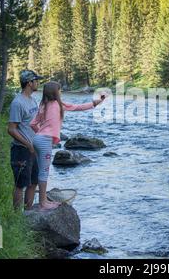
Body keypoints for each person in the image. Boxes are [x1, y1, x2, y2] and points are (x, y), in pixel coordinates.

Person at [30, 81, 105, 210]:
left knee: (39, 171)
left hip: (37, 139)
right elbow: (78, 107)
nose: (60, 92)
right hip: (44, 141)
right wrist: (97, 102)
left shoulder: (43, 105)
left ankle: (38, 202)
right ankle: (43, 203)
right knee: (44, 172)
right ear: (55, 92)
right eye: (59, 90)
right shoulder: (58, 104)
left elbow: (32, 124)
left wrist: (40, 134)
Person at [7, 70, 44, 210]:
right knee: (20, 185)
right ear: (29, 83)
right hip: (21, 150)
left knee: (33, 182)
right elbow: (11, 129)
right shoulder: (18, 103)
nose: (38, 83)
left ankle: (28, 215)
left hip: (34, 149)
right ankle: (17, 217)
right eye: (36, 80)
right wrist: (28, 144)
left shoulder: (32, 100)